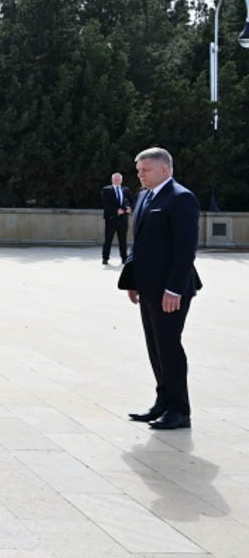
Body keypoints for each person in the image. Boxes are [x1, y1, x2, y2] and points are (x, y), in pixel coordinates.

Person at [118, 147, 201, 430]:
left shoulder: (181, 198)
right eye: (138, 170)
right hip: (148, 287)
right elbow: (137, 243)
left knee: (169, 347)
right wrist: (132, 280)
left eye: (146, 169)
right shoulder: (143, 197)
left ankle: (180, 410)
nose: (140, 174)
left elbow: (185, 250)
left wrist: (174, 290)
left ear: (164, 169)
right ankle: (162, 402)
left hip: (171, 290)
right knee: (155, 347)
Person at [100, 172, 132, 264]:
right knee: (108, 239)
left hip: (123, 219)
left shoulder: (126, 190)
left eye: (118, 179)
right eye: (115, 179)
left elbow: (132, 201)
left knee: (123, 240)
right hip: (111, 219)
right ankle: (105, 258)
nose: (117, 180)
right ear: (112, 180)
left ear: (121, 180)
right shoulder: (106, 189)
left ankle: (124, 258)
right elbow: (105, 203)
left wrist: (131, 208)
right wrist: (116, 210)